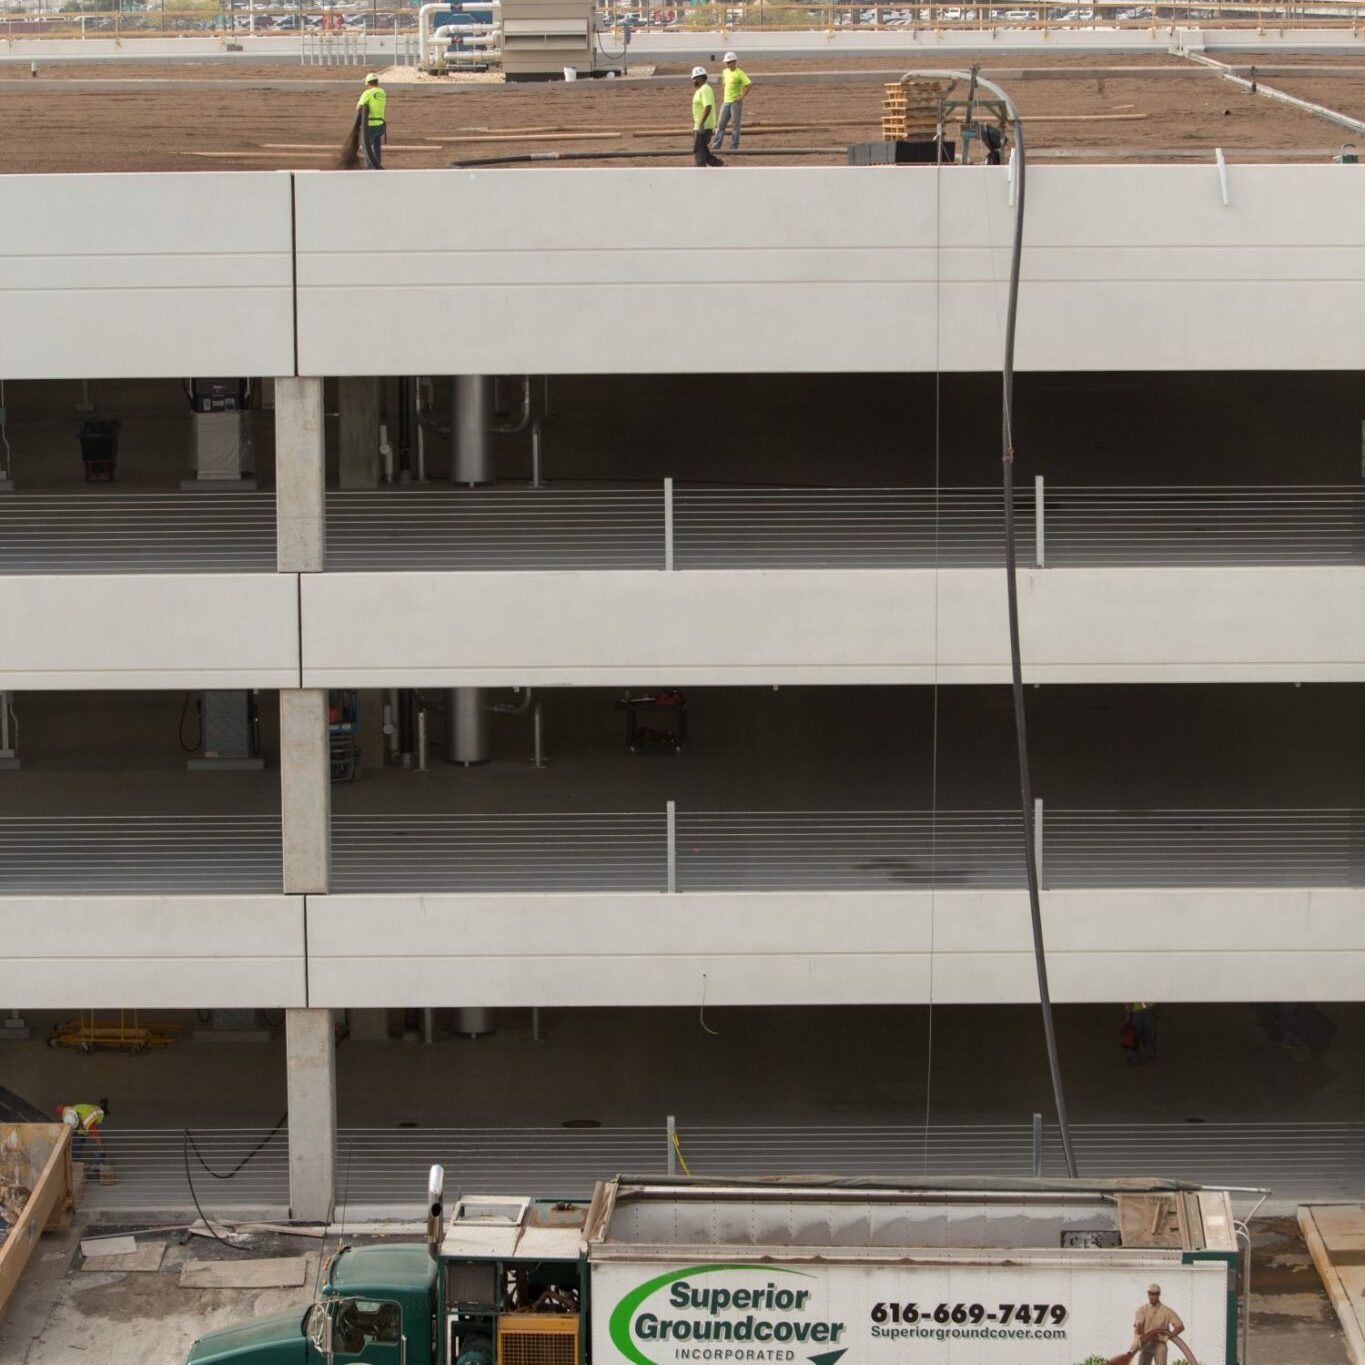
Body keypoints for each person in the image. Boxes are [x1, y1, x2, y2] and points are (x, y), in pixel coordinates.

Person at [1129, 1284, 1184, 1365]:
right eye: (1149, 1294)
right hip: (1146, 1344)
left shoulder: (1166, 1311)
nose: (1151, 1296)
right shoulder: (1142, 1310)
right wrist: (1137, 1340)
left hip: (1160, 1345)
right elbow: (1138, 1326)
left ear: (1158, 1295)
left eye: (1154, 1294)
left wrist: (1169, 1336)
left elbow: (1180, 1326)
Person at [712, 51, 751, 152]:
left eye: (729, 62)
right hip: (726, 102)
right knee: (721, 124)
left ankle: (734, 145)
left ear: (734, 62)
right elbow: (724, 84)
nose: (727, 64)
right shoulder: (725, 72)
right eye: (726, 62)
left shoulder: (739, 73)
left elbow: (748, 84)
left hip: (735, 103)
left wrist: (741, 96)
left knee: (735, 124)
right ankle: (717, 144)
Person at [57, 1098, 108, 1172]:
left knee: (95, 1146)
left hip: (97, 1117)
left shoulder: (89, 1123)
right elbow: (59, 1108)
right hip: (83, 1121)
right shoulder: (68, 1113)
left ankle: (97, 1167)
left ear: (79, 1121)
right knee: (76, 1143)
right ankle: (72, 1164)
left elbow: (97, 1139)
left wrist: (103, 1152)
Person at [690, 67, 723, 167]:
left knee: (699, 150)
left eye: (696, 78)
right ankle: (718, 164)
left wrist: (701, 123)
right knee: (703, 149)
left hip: (703, 126)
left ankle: (699, 170)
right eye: (694, 78)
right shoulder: (702, 90)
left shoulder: (704, 89)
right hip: (701, 125)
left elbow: (707, 106)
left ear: (702, 78)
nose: (694, 81)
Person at [357, 72, 387, 171]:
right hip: (381, 125)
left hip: (370, 125)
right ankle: (377, 164)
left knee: (366, 146)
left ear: (368, 83)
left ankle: (370, 167)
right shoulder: (382, 92)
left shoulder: (367, 93)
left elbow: (358, 108)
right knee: (377, 146)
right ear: (377, 82)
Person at [1124, 1002, 1157, 1066]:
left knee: (1134, 1034)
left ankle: (1134, 1058)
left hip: (1137, 1011)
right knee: (1147, 1031)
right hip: (1150, 1009)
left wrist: (1128, 1013)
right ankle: (1149, 1051)